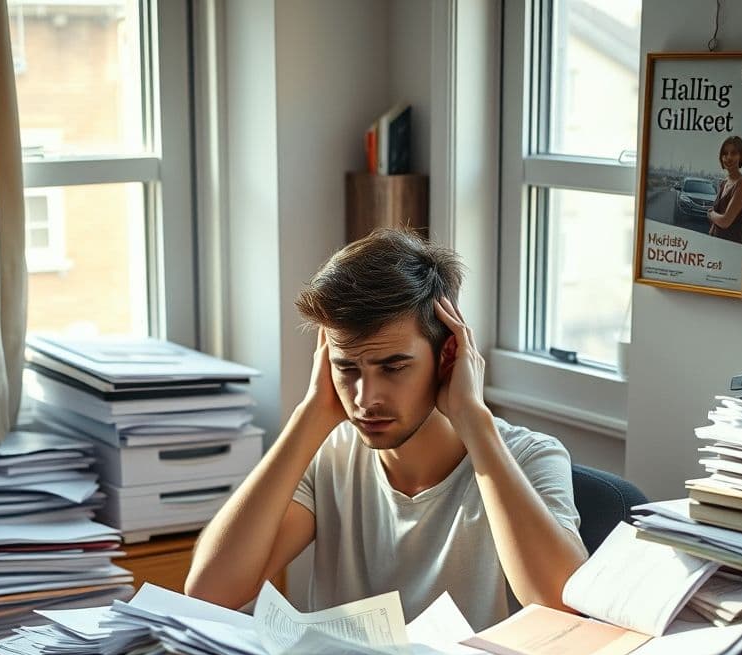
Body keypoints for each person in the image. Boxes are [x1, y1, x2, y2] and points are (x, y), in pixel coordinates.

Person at [185, 228, 587, 631]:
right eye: (347, 368)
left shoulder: (532, 456)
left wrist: (474, 420)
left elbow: (561, 605)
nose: (365, 398)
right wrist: (311, 414)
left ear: (448, 355)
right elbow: (211, 592)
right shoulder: (331, 455)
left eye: (393, 368)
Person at [707, 135, 742, 243]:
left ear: (741, 156)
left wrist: (710, 214)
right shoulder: (724, 182)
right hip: (715, 242)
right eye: (725, 153)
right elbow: (717, 219)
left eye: (734, 153)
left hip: (730, 245)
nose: (729, 157)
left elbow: (725, 221)